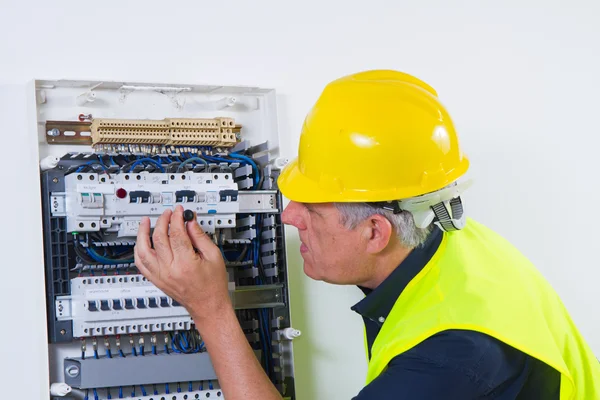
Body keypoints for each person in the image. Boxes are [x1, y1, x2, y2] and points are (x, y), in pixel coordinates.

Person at [134, 70, 600, 399]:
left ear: (375, 232)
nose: (289, 218)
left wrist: (210, 308)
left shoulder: (451, 356)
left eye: (311, 207)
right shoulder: (450, 238)